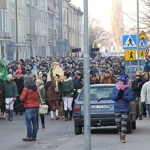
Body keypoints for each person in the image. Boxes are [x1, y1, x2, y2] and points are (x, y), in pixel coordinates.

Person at [111, 75, 134, 143]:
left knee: (124, 123)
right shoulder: (114, 89)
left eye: (122, 82)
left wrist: (123, 96)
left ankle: (123, 137)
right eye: (119, 82)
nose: (120, 83)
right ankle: (120, 133)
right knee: (118, 123)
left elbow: (131, 98)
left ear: (124, 83)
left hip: (125, 109)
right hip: (117, 108)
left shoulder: (128, 89)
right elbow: (113, 98)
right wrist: (118, 95)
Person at [20, 75, 39, 141]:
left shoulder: (26, 88)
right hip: (36, 106)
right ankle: (34, 136)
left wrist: (21, 99)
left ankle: (29, 135)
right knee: (35, 122)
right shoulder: (35, 88)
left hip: (29, 107)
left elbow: (22, 98)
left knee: (28, 122)